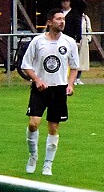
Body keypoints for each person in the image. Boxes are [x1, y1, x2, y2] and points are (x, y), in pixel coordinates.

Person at [21, 9, 80, 176]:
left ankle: (48, 164)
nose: (62, 22)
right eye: (58, 19)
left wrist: (70, 85)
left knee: (53, 127)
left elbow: (74, 67)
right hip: (40, 89)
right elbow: (26, 65)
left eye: (63, 19)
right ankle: (33, 156)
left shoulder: (69, 42)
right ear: (49, 22)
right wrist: (37, 80)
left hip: (59, 89)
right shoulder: (38, 41)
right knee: (33, 124)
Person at [75, 11, 92, 85]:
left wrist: (88, 38)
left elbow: (89, 29)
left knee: (82, 60)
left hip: (83, 40)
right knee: (74, 59)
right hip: (74, 39)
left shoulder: (85, 18)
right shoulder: (73, 16)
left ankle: (78, 78)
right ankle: (72, 78)